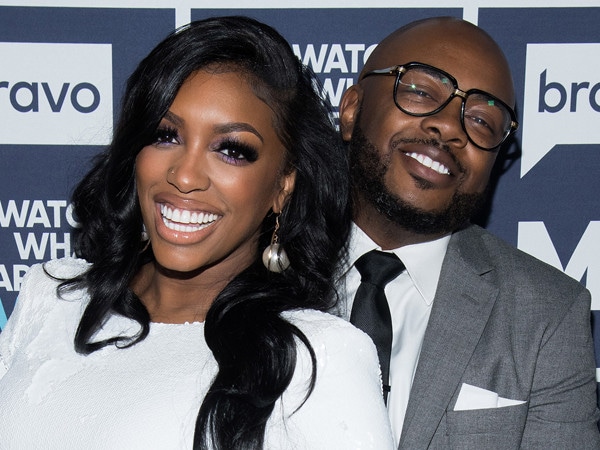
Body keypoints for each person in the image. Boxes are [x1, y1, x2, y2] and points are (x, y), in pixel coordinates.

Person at [0, 16, 395, 449]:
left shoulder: (320, 357)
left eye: (232, 150)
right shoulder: (50, 295)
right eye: (166, 135)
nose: (185, 176)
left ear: (283, 185)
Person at [338, 16, 600, 449]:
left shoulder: (547, 316)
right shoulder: (248, 269)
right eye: (422, 92)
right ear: (351, 110)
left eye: (481, 121)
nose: (449, 127)